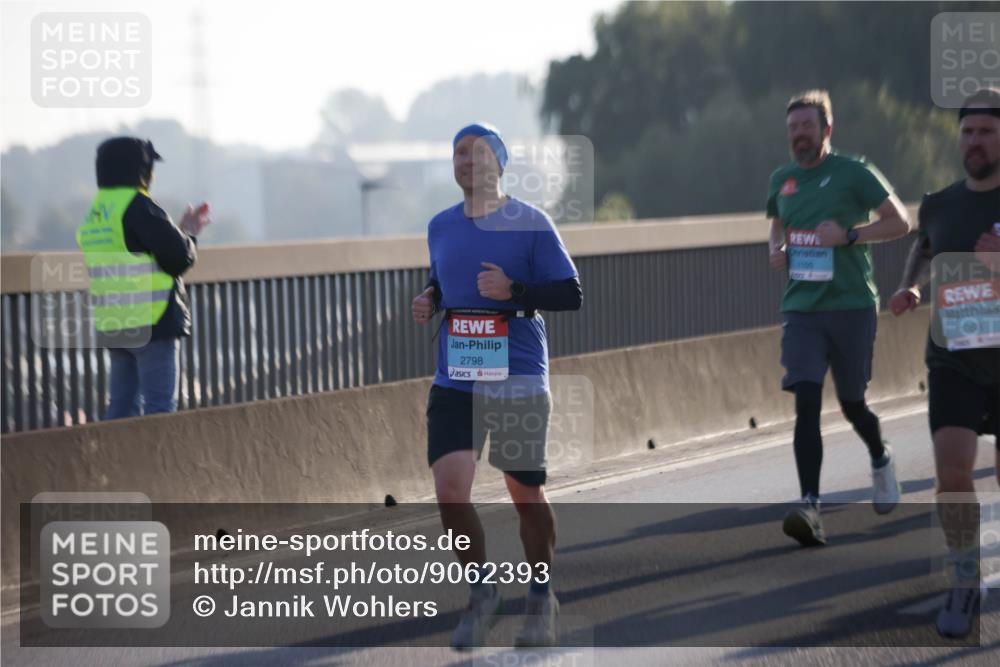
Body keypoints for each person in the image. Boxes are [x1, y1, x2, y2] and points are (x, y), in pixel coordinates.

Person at [411, 122, 582, 649]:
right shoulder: (440, 226)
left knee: (523, 491)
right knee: (450, 490)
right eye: (459, 153)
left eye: (479, 152)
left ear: (500, 163)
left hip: (518, 373)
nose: (467, 161)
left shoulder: (530, 223)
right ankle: (483, 592)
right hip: (457, 375)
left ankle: (541, 596)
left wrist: (515, 290)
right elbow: (443, 279)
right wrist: (430, 298)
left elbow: (570, 293)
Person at [765, 90, 911, 546]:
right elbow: (777, 223)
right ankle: (810, 505)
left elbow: (900, 222)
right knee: (806, 399)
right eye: (793, 128)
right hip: (802, 308)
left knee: (852, 404)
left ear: (827, 129)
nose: (799, 135)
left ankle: (880, 454)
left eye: (807, 126)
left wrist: (849, 235)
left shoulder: (854, 172)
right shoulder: (782, 179)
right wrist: (776, 248)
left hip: (851, 306)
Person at [890, 87, 1000, 638]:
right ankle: (964, 578)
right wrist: (910, 286)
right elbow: (927, 246)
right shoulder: (940, 202)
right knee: (952, 469)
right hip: (954, 357)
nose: (974, 141)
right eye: (967, 131)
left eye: (986, 132)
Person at [76, 137, 210, 419]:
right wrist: (190, 235)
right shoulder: (139, 206)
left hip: (116, 323)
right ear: (141, 170)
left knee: (122, 409)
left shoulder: (97, 212)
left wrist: (179, 232)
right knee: (159, 411)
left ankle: (112, 450)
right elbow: (178, 257)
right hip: (152, 322)